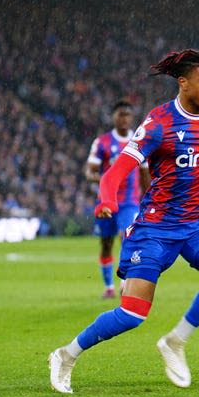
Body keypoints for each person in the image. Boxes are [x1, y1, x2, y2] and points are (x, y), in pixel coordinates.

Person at [49, 49, 199, 394]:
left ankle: (176, 342)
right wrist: (107, 199)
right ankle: (66, 354)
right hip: (155, 229)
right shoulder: (159, 124)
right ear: (183, 83)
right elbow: (115, 172)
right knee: (133, 314)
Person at [84, 100, 150, 299]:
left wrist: (149, 199)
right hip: (106, 201)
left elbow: (145, 174)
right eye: (120, 114)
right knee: (106, 244)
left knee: (127, 236)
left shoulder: (139, 143)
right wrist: (103, 178)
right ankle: (109, 287)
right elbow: (90, 171)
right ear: (113, 117)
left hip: (130, 202)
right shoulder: (102, 142)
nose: (124, 118)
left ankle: (125, 282)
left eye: (127, 115)